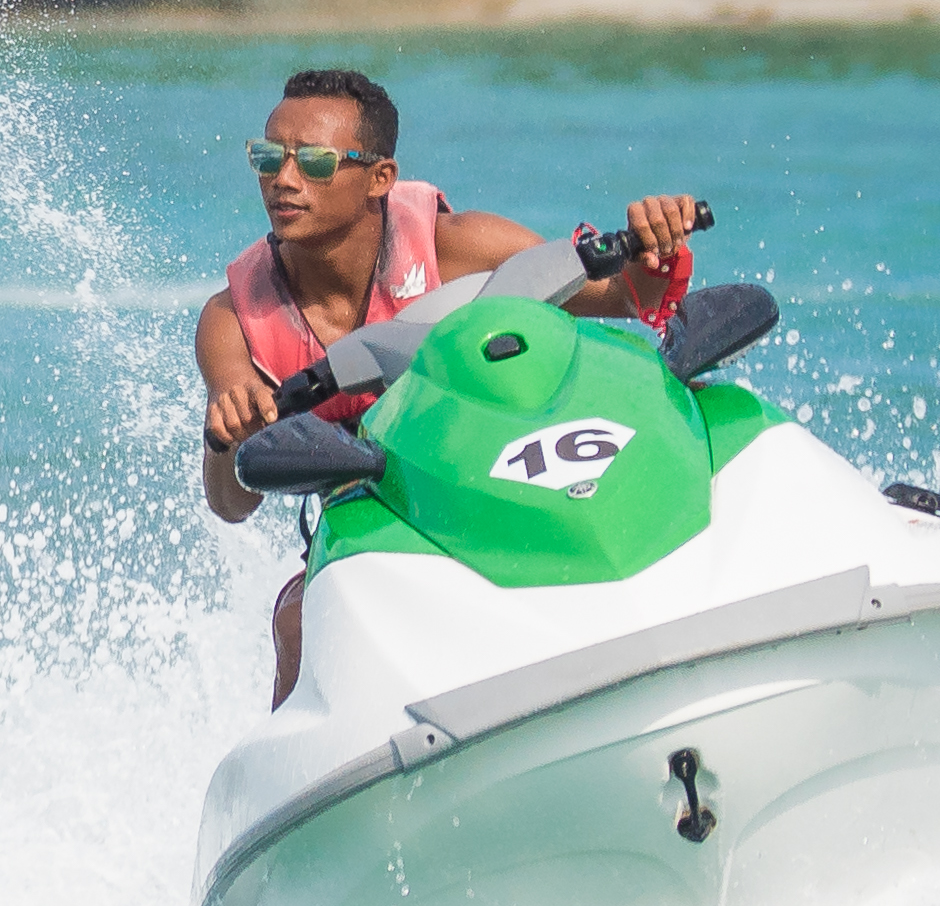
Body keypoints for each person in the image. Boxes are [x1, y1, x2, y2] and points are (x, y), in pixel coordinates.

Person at [194, 66, 703, 702]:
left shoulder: (461, 248)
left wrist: (656, 247)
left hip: (499, 483)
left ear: (381, 177)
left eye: (315, 162)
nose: (284, 179)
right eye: (269, 157)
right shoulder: (232, 322)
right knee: (296, 622)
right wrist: (228, 434)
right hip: (378, 535)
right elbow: (230, 503)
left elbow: (625, 297)